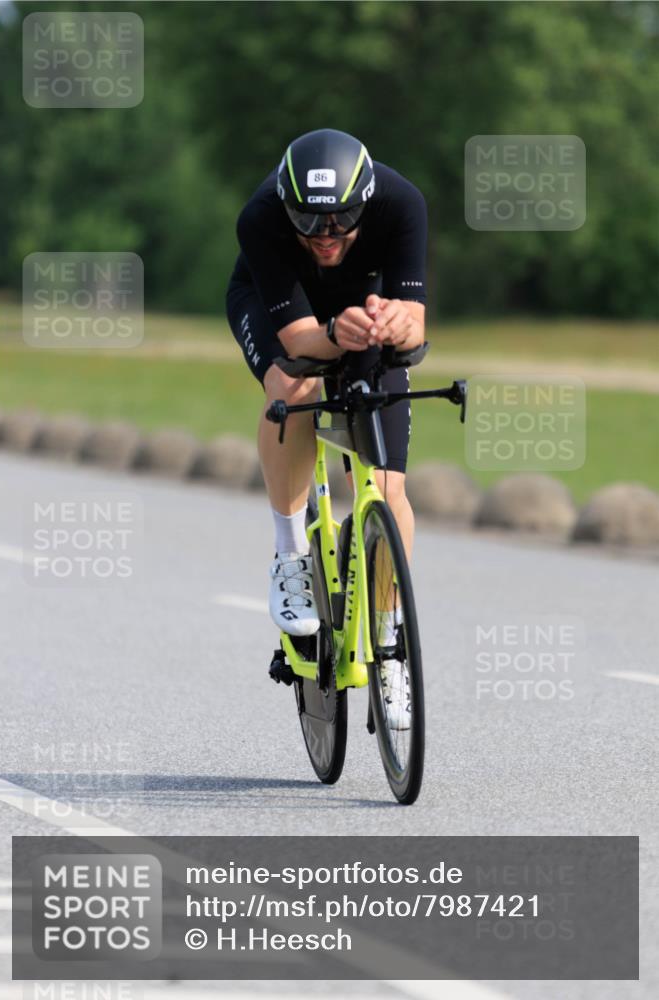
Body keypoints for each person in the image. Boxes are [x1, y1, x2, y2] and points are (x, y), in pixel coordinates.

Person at [226, 128, 427, 728]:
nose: (325, 236)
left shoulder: (403, 203)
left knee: (389, 489)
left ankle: (392, 649)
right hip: (280, 309)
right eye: (309, 222)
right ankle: (291, 555)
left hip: (363, 312)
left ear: (366, 201)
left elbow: (417, 326)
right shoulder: (260, 219)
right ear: (285, 205)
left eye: (341, 220)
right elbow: (299, 343)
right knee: (295, 387)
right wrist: (339, 333)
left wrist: (394, 322)